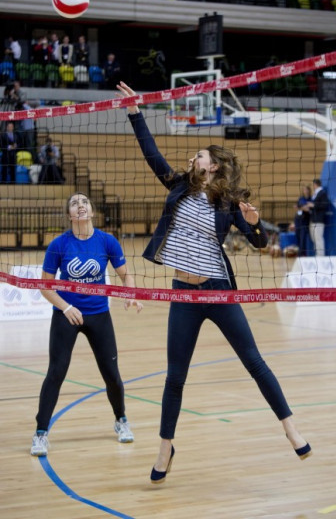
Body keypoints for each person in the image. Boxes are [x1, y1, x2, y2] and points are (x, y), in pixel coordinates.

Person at [116, 81, 312, 484]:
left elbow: (259, 244)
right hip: (184, 294)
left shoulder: (227, 201)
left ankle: (290, 427)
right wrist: (135, 111)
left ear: (214, 165)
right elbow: (151, 153)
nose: (193, 156)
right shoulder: (178, 186)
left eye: (200, 154)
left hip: (218, 290)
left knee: (254, 361)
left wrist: (256, 227)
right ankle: (165, 448)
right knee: (175, 377)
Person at [31, 192, 143, 457]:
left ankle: (121, 420)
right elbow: (45, 286)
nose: (80, 206)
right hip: (66, 315)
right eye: (74, 203)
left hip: (99, 314)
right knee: (56, 372)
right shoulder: (59, 244)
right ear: (69, 214)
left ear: (91, 211)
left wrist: (130, 295)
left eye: (84, 203)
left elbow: (126, 275)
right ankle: (40, 433)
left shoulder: (107, 241)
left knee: (111, 374)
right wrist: (66, 307)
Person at [307, 178, 330, 256]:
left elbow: (325, 205)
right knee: (314, 238)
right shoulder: (316, 194)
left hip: (319, 220)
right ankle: (317, 254)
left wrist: (313, 205)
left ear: (315, 184)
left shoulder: (322, 193)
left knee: (318, 238)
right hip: (313, 220)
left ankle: (320, 256)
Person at [294, 183, 312, 256]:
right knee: (298, 237)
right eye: (304, 189)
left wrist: (302, 207)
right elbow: (298, 206)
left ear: (308, 190)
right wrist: (303, 207)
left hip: (305, 221)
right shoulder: (301, 198)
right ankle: (300, 252)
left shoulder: (311, 198)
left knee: (303, 238)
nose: (304, 191)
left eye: (306, 189)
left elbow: (307, 209)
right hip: (298, 220)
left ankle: (302, 254)